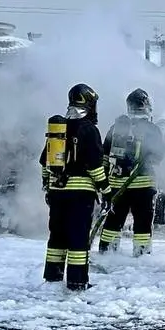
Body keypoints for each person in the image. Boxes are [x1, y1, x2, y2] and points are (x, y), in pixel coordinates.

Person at [39, 84, 107, 291]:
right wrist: (106, 190)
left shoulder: (58, 128)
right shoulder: (89, 130)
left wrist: (47, 186)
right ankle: (77, 282)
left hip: (56, 191)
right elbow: (95, 166)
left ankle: (53, 278)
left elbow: (45, 162)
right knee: (78, 238)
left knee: (57, 235)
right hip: (80, 194)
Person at [99, 88, 165, 256]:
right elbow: (159, 157)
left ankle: (106, 253)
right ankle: (141, 256)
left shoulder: (116, 128)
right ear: (146, 106)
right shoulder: (152, 129)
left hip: (117, 185)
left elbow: (104, 157)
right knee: (143, 222)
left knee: (113, 220)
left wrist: (104, 184)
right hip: (143, 186)